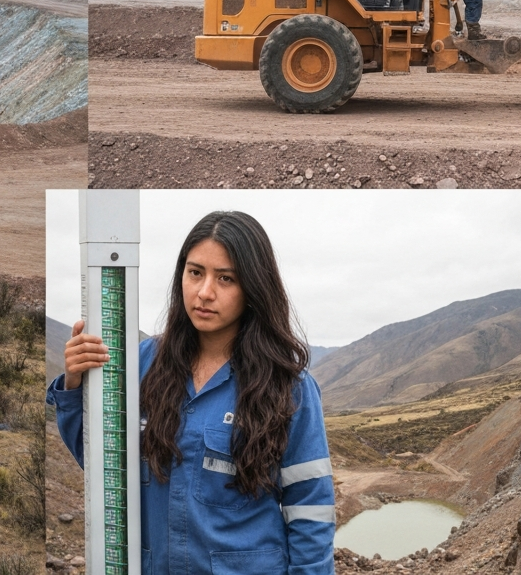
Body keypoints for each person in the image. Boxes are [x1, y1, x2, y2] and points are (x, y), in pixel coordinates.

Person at [47, 211, 334, 575]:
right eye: (195, 272)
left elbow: (311, 511)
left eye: (226, 278)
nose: (205, 292)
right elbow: (101, 467)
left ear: (254, 288)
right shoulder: (139, 363)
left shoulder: (289, 387)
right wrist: (75, 384)